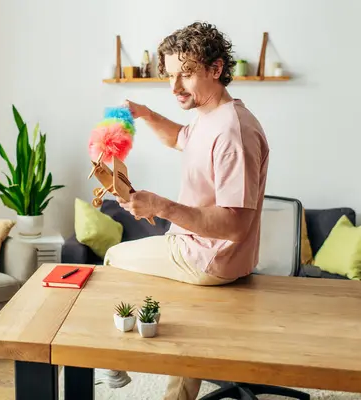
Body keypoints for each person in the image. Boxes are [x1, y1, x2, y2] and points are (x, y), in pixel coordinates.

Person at [98, 22, 270, 400]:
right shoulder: (212, 116)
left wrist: (159, 206)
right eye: (170, 75)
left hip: (209, 256)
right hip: (215, 255)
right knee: (188, 339)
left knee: (112, 258)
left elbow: (235, 225)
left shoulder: (233, 133)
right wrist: (145, 115)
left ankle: (112, 364)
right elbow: (181, 139)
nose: (175, 87)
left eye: (186, 74)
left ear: (215, 68)